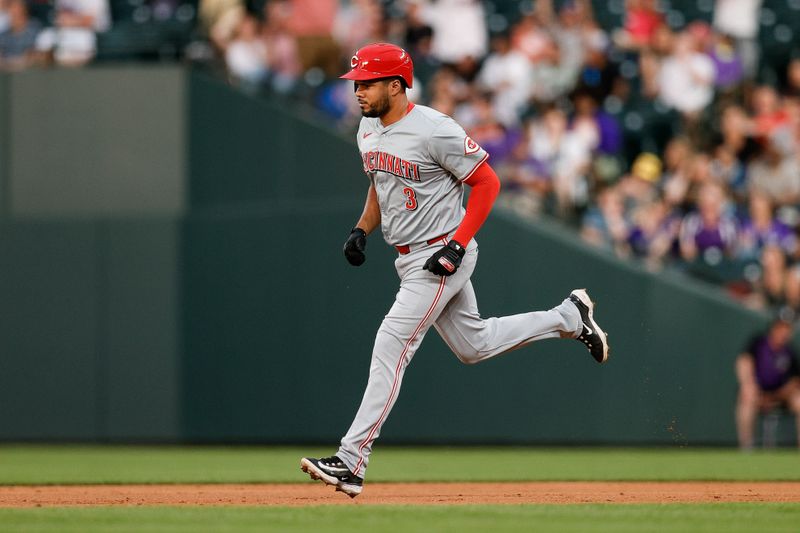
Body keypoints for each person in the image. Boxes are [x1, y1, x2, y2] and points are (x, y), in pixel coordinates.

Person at [300, 43, 610, 498]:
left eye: (367, 83)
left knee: (391, 343)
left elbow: (487, 182)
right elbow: (380, 185)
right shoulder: (368, 129)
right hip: (407, 257)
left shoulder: (434, 129)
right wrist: (361, 229)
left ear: (395, 84)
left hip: (441, 254)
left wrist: (458, 245)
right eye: (357, 83)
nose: (359, 92)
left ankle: (351, 461)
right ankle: (568, 317)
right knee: (474, 345)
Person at [735, 314, 800, 449]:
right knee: (747, 396)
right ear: (774, 328)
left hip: (780, 397)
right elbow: (743, 362)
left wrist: (775, 396)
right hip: (757, 394)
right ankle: (746, 447)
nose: (785, 332)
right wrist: (748, 385)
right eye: (781, 328)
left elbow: (794, 382)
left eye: (787, 329)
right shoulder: (758, 343)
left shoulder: (789, 351)